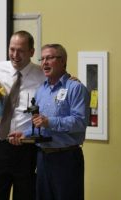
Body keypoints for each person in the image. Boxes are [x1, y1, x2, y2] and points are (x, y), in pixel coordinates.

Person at [8, 44, 90, 200]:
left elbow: (80, 122)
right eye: (42, 58)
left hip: (66, 157)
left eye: (50, 58)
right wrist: (24, 134)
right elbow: (40, 126)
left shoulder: (75, 88)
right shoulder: (41, 91)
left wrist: (49, 122)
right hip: (43, 158)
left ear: (63, 61)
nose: (44, 62)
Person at [0, 30, 45, 200]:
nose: (15, 55)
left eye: (20, 50)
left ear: (31, 52)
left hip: (27, 149)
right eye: (12, 49)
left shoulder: (42, 76)